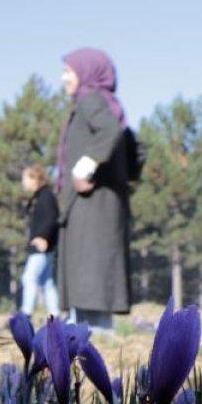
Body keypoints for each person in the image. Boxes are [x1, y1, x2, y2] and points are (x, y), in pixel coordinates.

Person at [56, 47, 136, 330]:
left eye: (68, 71)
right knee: (91, 284)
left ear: (87, 72)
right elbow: (133, 147)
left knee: (90, 282)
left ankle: (92, 350)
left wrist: (85, 166)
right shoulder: (104, 103)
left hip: (92, 208)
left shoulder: (91, 101)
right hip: (98, 207)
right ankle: (89, 345)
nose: (64, 78)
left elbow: (110, 131)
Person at [20, 164, 60, 316]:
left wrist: (43, 237)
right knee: (46, 282)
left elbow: (51, 219)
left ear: (35, 178)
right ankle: (55, 316)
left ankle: (26, 314)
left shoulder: (46, 196)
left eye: (25, 179)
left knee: (29, 278)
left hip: (42, 247)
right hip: (43, 247)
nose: (23, 183)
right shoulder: (39, 197)